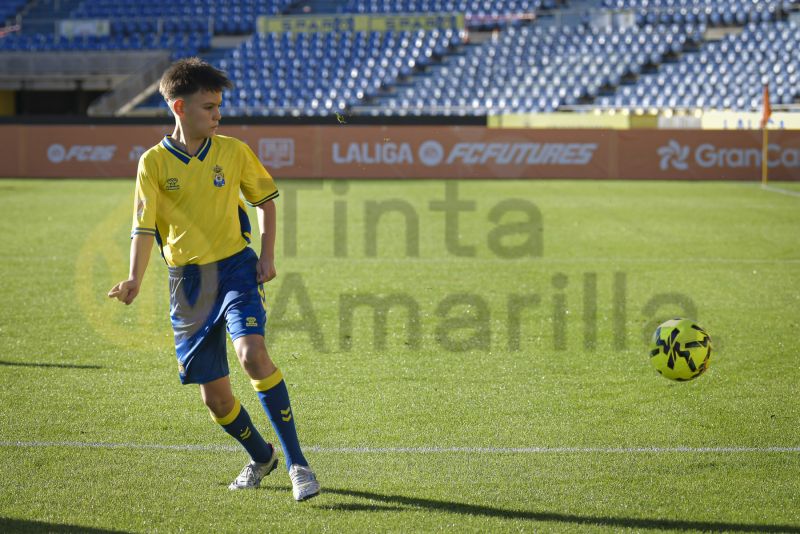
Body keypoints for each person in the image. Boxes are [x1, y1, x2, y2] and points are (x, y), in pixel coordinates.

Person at [107, 57, 319, 502]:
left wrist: (268, 255)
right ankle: (262, 457)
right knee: (216, 401)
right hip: (187, 285)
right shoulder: (152, 164)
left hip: (236, 268)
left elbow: (265, 201)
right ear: (180, 108)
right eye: (209, 107)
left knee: (252, 354)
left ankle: (298, 463)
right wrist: (132, 278)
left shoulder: (233, 151)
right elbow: (144, 227)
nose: (218, 115)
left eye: (220, 107)